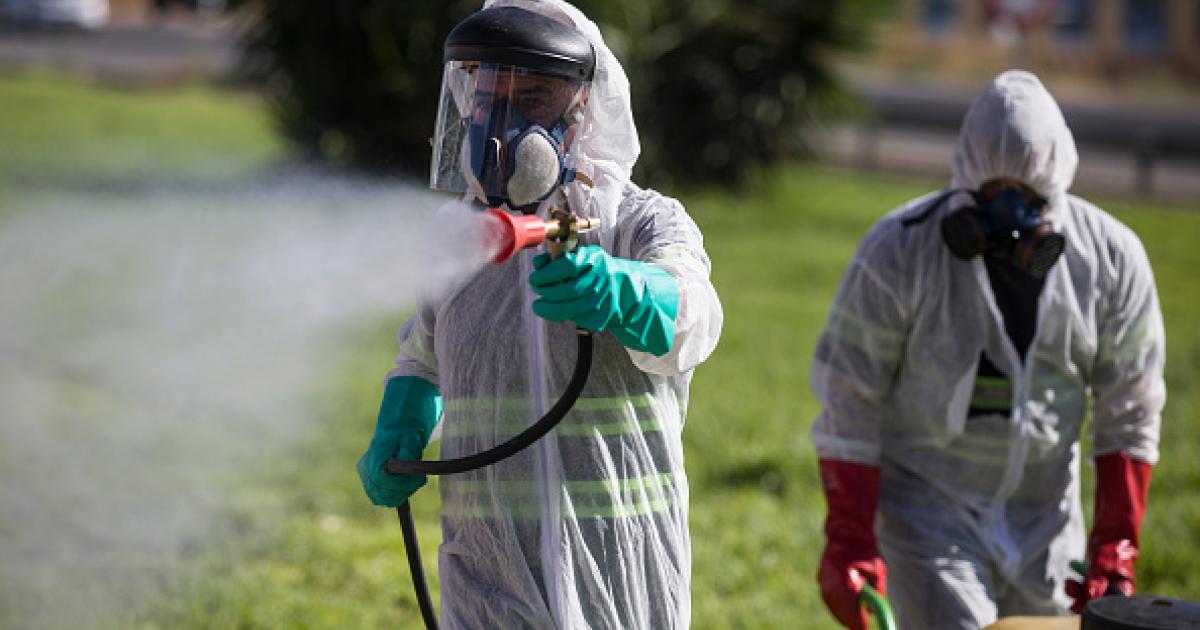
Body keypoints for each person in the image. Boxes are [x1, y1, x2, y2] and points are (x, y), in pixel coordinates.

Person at [355, 1, 723, 628]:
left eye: (533, 99)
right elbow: (425, 349)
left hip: (618, 563)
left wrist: (626, 292)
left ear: (584, 107)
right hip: (486, 570)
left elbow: (694, 312)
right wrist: (406, 413)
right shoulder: (458, 237)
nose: (500, 123)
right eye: (487, 97)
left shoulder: (640, 222)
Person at [810, 70, 1165, 630]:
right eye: (993, 192)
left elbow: (1130, 410)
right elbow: (849, 397)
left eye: (1027, 195)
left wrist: (1114, 547)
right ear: (965, 182)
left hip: (1048, 520)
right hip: (930, 514)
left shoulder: (1112, 261)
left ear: (1056, 187)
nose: (1009, 214)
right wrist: (848, 540)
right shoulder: (899, 251)